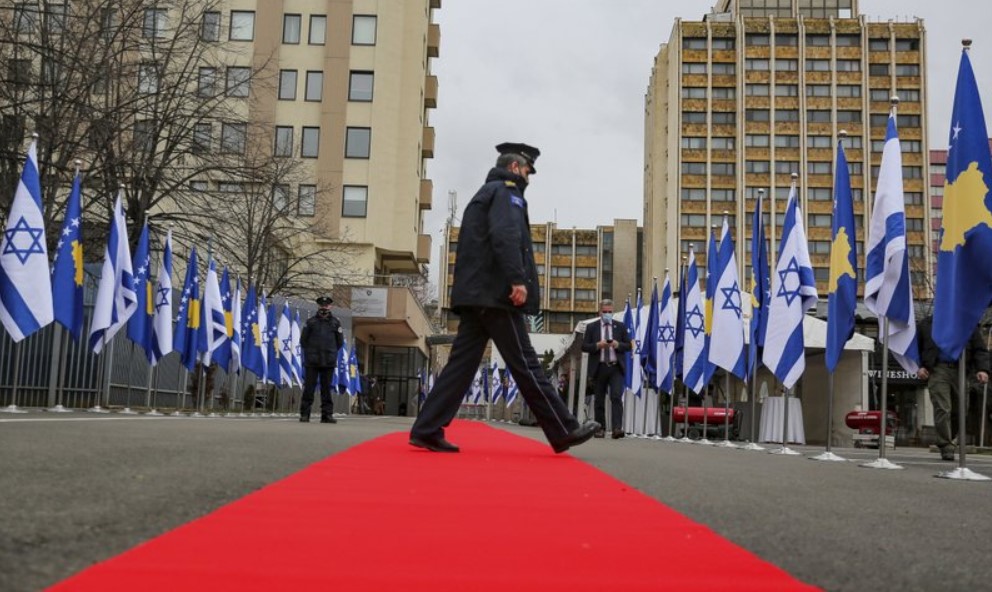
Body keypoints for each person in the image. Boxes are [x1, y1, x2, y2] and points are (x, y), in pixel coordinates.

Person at [409, 142, 600, 453]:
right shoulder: (506, 192)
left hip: (476, 296)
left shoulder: (484, 194)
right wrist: (516, 279)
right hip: (497, 295)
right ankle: (564, 429)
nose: (528, 178)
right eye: (527, 170)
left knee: (460, 367)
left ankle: (427, 427)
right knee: (526, 363)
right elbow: (506, 236)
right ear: (515, 168)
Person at [916, 315, 990, 460]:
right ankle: (946, 445)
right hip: (938, 369)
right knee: (943, 408)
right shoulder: (926, 324)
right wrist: (918, 367)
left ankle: (950, 437)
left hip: (962, 369)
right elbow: (916, 348)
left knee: (960, 411)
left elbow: (980, 349)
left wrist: (983, 369)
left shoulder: (967, 323)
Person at [581, 299, 632, 439]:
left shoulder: (620, 327)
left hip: (616, 367)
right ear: (600, 312)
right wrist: (597, 345)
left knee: (616, 396)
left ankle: (617, 428)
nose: (608, 314)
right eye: (605, 312)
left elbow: (629, 345)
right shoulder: (592, 327)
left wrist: (617, 345)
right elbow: (584, 346)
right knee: (599, 399)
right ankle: (600, 428)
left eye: (610, 312)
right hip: (599, 366)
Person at [299, 296, 344, 423]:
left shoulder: (335, 323)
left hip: (328, 361)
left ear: (330, 307)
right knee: (309, 389)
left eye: (326, 305)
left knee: (326, 390)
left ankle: (327, 415)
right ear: (318, 306)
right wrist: (310, 353)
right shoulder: (311, 322)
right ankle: (304, 414)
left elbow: (339, 343)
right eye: (322, 305)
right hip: (312, 361)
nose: (324, 307)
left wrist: (331, 352)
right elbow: (303, 341)